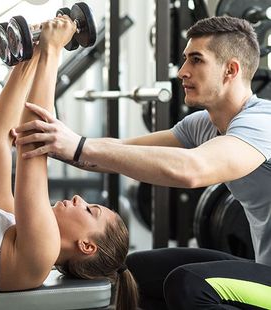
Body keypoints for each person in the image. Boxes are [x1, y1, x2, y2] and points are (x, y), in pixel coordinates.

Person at [14, 15, 271, 309]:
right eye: (185, 59)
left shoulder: (261, 123)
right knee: (138, 271)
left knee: (189, 284)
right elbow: (117, 153)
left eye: (196, 60)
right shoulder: (202, 125)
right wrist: (54, 140)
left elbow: (193, 170)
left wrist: (80, 146)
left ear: (231, 70)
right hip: (264, 269)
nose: (183, 71)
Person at [0, 15, 138, 310]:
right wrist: (28, 57)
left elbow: (33, 147)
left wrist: (53, 52)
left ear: (86, 245)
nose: (81, 199)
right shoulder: (11, 224)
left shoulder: (40, 256)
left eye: (91, 210)